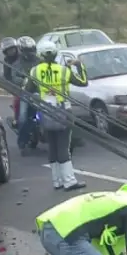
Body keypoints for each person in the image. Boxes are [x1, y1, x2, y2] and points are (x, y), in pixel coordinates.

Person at [25, 39, 85, 191]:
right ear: (55, 53)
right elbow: (83, 82)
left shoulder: (34, 71)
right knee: (64, 146)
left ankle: (57, 181)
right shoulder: (64, 70)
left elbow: (27, 90)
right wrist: (79, 65)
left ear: (40, 55)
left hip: (45, 111)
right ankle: (70, 181)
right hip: (64, 110)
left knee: (52, 145)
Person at [14, 36, 39, 153]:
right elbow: (14, 77)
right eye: (27, 50)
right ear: (21, 51)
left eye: (31, 49)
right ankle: (22, 143)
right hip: (26, 93)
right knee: (23, 118)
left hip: (41, 92)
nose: (30, 53)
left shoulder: (40, 61)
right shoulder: (17, 64)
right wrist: (24, 80)